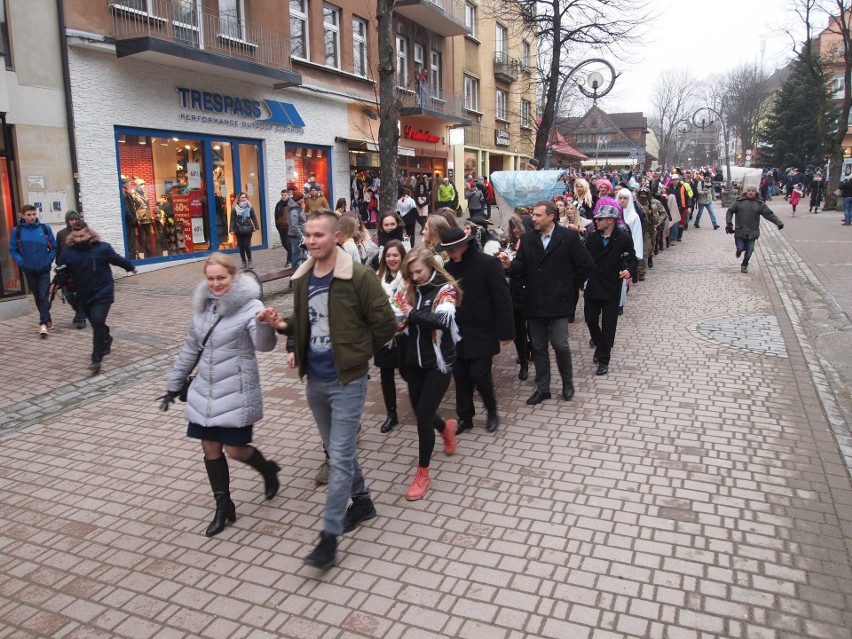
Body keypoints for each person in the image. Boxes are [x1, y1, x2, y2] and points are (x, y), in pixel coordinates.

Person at [260, 209, 397, 570]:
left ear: (336, 237)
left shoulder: (359, 276)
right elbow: (303, 322)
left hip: (348, 381)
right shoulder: (303, 277)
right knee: (341, 453)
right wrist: (282, 325)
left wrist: (360, 352)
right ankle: (363, 502)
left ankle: (329, 536)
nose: (310, 241)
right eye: (307, 235)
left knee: (338, 456)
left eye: (318, 235)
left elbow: (385, 322)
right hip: (315, 381)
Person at [159, 253, 279, 537]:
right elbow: (191, 348)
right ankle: (223, 506)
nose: (215, 284)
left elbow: (264, 346)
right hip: (205, 390)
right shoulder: (203, 307)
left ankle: (268, 470)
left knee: (235, 450)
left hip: (236, 390)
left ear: (233, 277)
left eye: (221, 278)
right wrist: (173, 385)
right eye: (210, 278)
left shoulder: (251, 306)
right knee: (210, 448)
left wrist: (264, 323)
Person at [498, 200, 593, 405]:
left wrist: (568, 285)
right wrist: (509, 265)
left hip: (559, 302)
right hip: (534, 301)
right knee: (539, 346)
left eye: (538, 215)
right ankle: (543, 388)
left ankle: (567, 383)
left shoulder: (568, 237)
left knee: (560, 344)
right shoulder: (528, 238)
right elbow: (521, 265)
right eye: (533, 215)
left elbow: (585, 265)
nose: (533, 218)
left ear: (551, 216)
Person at [396, 245, 461, 500]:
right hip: (414, 362)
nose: (414, 277)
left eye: (418, 272)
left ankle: (422, 473)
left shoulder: (445, 289)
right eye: (410, 273)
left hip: (439, 364)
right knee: (421, 411)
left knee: (422, 418)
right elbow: (398, 318)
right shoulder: (409, 289)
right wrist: (397, 322)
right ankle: (446, 427)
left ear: (431, 267)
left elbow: (442, 321)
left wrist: (410, 313)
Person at [440, 228, 514, 434]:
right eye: (446, 250)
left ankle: (491, 411)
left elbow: (502, 299)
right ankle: (465, 417)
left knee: (480, 373)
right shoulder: (447, 268)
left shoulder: (488, 264)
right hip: (457, 332)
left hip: (483, 330)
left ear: (464, 245)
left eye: (452, 250)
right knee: (461, 376)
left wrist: (507, 331)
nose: (449, 254)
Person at [52, 221, 136, 372]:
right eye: (76, 236)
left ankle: (96, 359)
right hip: (83, 295)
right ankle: (107, 338)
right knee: (98, 324)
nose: (78, 239)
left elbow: (117, 259)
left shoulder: (102, 248)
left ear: (89, 233)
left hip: (103, 292)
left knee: (97, 321)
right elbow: (62, 272)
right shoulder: (67, 253)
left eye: (82, 236)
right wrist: (56, 283)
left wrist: (130, 267)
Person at [584, 206, 638, 376]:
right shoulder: (592, 238)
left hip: (611, 286)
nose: (597, 221)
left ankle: (604, 358)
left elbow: (632, 258)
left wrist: (629, 270)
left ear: (611, 220)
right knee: (591, 319)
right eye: (596, 219)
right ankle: (601, 345)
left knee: (609, 324)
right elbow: (583, 258)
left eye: (600, 219)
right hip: (593, 285)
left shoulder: (623, 239)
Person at [374, 239, 407, 433]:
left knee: (408, 373)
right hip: (384, 335)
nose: (392, 259)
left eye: (395, 255)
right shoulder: (378, 279)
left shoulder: (409, 277)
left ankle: (421, 407)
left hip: (405, 334)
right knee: (386, 375)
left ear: (402, 256)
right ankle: (391, 414)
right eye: (388, 255)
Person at [10, 204, 57, 337]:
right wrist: (22, 262)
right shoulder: (17, 231)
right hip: (29, 270)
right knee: (37, 297)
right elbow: (13, 250)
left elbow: (54, 247)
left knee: (43, 295)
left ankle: (42, 324)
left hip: (44, 269)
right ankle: (47, 319)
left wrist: (47, 261)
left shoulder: (44, 229)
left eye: (34, 214)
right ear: (23, 216)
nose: (32, 217)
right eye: (29, 215)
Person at [725, 185, 784, 273]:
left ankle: (744, 265)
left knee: (749, 251)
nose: (750, 192)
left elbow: (769, 214)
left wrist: (778, 223)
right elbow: (730, 211)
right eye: (749, 191)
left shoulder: (759, 204)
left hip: (752, 231)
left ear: (756, 192)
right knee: (740, 247)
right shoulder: (739, 202)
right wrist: (729, 223)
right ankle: (739, 250)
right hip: (740, 230)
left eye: (752, 191)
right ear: (746, 192)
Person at [54, 209, 88, 329]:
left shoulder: (83, 233)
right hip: (66, 269)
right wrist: (58, 264)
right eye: (71, 219)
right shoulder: (61, 234)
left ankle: (81, 318)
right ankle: (79, 311)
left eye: (75, 219)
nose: (73, 222)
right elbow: (58, 251)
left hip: (80, 269)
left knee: (81, 293)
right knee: (68, 294)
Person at [229, 192, 259, 269]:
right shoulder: (234, 208)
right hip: (238, 229)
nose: (244, 199)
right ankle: (243, 262)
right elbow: (232, 219)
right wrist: (231, 229)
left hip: (248, 229)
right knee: (241, 247)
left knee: (246, 246)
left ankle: (249, 261)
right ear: (238, 198)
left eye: (245, 197)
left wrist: (256, 226)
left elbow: (253, 216)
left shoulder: (249, 206)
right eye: (242, 197)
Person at [287, 192, 306, 270]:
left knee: (300, 253)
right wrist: (301, 236)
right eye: (301, 198)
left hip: (299, 234)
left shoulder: (298, 208)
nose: (303, 200)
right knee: (296, 254)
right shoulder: (294, 211)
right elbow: (294, 225)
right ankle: (295, 271)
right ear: (297, 199)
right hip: (295, 236)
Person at [274, 188, 292, 267]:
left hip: (289, 227)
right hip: (281, 227)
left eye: (285, 195)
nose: (283, 196)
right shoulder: (278, 204)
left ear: (288, 195)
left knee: (288, 243)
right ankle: (293, 254)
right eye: (282, 195)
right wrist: (277, 226)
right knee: (284, 244)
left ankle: (289, 260)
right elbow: (276, 215)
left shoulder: (291, 204)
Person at [121, 178, 138, 258]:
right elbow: (127, 209)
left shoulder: (125, 193)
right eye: (128, 183)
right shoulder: (124, 194)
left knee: (131, 240)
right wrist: (132, 220)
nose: (129, 184)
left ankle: (133, 255)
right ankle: (132, 257)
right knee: (130, 240)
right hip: (129, 223)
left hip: (130, 222)